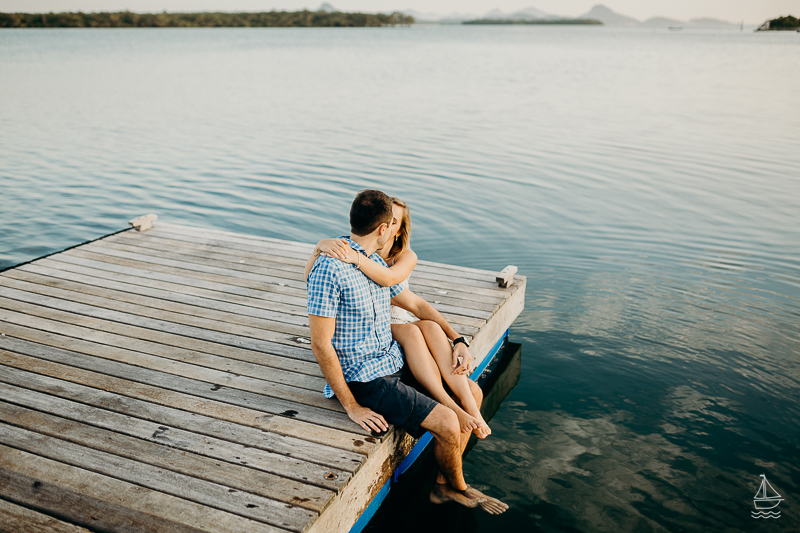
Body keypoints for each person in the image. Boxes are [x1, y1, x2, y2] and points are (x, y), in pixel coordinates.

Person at [306, 189, 507, 513]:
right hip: (365, 376)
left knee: (472, 391)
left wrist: (458, 339)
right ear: (384, 228)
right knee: (447, 422)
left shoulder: (372, 262)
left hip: (390, 358)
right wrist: (352, 406)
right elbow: (320, 343)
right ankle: (457, 488)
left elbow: (414, 303)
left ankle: (442, 482)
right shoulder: (330, 268)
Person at [304, 197, 491, 439]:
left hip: (391, 331)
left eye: (394, 221)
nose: (388, 226)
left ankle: (469, 406)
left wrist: (458, 340)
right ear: (378, 225)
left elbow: (405, 293)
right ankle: (452, 406)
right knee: (415, 332)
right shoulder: (349, 255)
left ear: (398, 229)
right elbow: (313, 281)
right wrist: (319, 247)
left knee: (431, 329)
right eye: (386, 220)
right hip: (376, 337)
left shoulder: (385, 258)